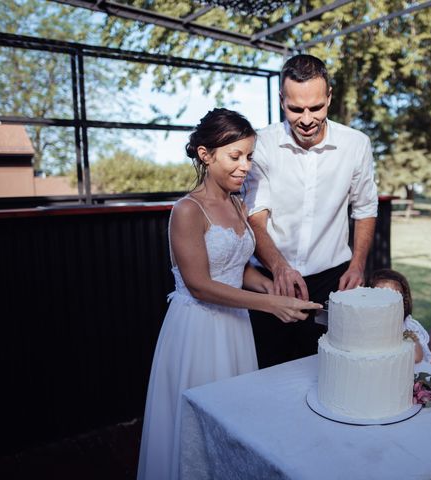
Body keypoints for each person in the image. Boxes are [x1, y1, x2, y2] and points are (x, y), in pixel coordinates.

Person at [137, 108, 321, 480]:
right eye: (235, 156)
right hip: (199, 331)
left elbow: (239, 267)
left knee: (236, 423)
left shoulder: (237, 203)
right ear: (205, 155)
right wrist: (271, 304)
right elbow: (200, 284)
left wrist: (273, 287)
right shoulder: (187, 211)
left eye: (249, 156)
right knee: (199, 423)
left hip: (235, 326)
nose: (244, 166)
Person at [245, 54, 379, 368]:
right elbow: (255, 217)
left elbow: (365, 207)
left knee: (328, 375)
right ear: (281, 101)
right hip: (270, 277)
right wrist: (279, 267)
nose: (306, 119)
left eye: (316, 107)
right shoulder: (261, 144)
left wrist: (358, 265)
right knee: (270, 373)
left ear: (329, 97)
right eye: (295, 109)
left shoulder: (356, 145)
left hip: (332, 280)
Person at [369, 268, 431, 364]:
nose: (387, 303)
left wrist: (404, 334)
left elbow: (416, 357)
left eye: (395, 296)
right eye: (380, 295)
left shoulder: (406, 327)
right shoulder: (366, 324)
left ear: (403, 302)